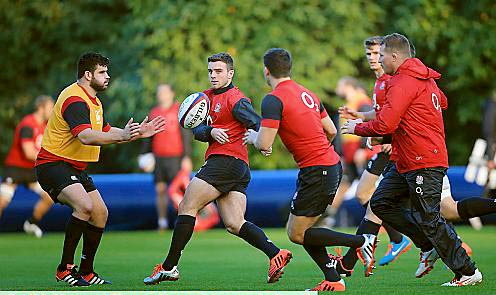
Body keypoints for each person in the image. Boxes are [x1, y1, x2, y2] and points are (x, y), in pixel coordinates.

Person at [341, 33, 482, 287]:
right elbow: (443, 101)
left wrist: (357, 127)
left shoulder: (402, 81)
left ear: (394, 56)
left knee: (431, 217)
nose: (379, 60)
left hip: (423, 159)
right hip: (404, 158)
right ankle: (427, 246)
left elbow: (386, 123)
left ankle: (467, 271)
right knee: (381, 203)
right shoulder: (422, 78)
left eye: (381, 54)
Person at [143, 52, 292, 286]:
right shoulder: (203, 98)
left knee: (186, 205)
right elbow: (196, 129)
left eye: (219, 71)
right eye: (211, 71)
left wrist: (263, 143)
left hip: (224, 161)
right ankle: (275, 253)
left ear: (230, 73)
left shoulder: (236, 99)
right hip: (238, 168)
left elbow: (256, 122)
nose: (213, 75)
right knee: (234, 223)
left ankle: (169, 267)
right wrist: (210, 131)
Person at [244, 48, 376, 292]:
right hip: (328, 165)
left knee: (297, 233)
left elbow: (264, 143)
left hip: (318, 170)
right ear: (289, 68)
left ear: (266, 70)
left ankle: (360, 241)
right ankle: (333, 278)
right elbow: (331, 130)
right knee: (302, 231)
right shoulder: (308, 93)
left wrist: (253, 136)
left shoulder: (273, 99)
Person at [35, 52, 165, 286]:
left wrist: (134, 134)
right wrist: (123, 136)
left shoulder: (94, 101)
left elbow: (105, 130)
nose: (108, 76)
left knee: (100, 213)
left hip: (73, 167)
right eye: (102, 72)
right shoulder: (75, 99)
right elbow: (85, 136)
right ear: (87, 75)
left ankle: (86, 271)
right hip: (52, 164)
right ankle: (64, 269)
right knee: (84, 206)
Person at [0, 95, 55, 238]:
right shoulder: (28, 124)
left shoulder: (45, 126)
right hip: (16, 168)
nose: (52, 110)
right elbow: (29, 152)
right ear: (40, 107)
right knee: (3, 201)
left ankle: (32, 223)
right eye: (50, 107)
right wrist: (52, 158)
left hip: (31, 170)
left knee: (49, 196)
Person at [140, 83, 193, 230]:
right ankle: (162, 222)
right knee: (160, 189)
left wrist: (186, 157)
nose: (161, 95)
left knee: (180, 191)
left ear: (171, 93)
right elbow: (148, 137)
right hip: (159, 158)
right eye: (159, 92)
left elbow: (185, 134)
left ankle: (184, 222)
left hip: (176, 157)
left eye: (164, 92)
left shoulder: (179, 110)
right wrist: (144, 156)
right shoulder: (154, 112)